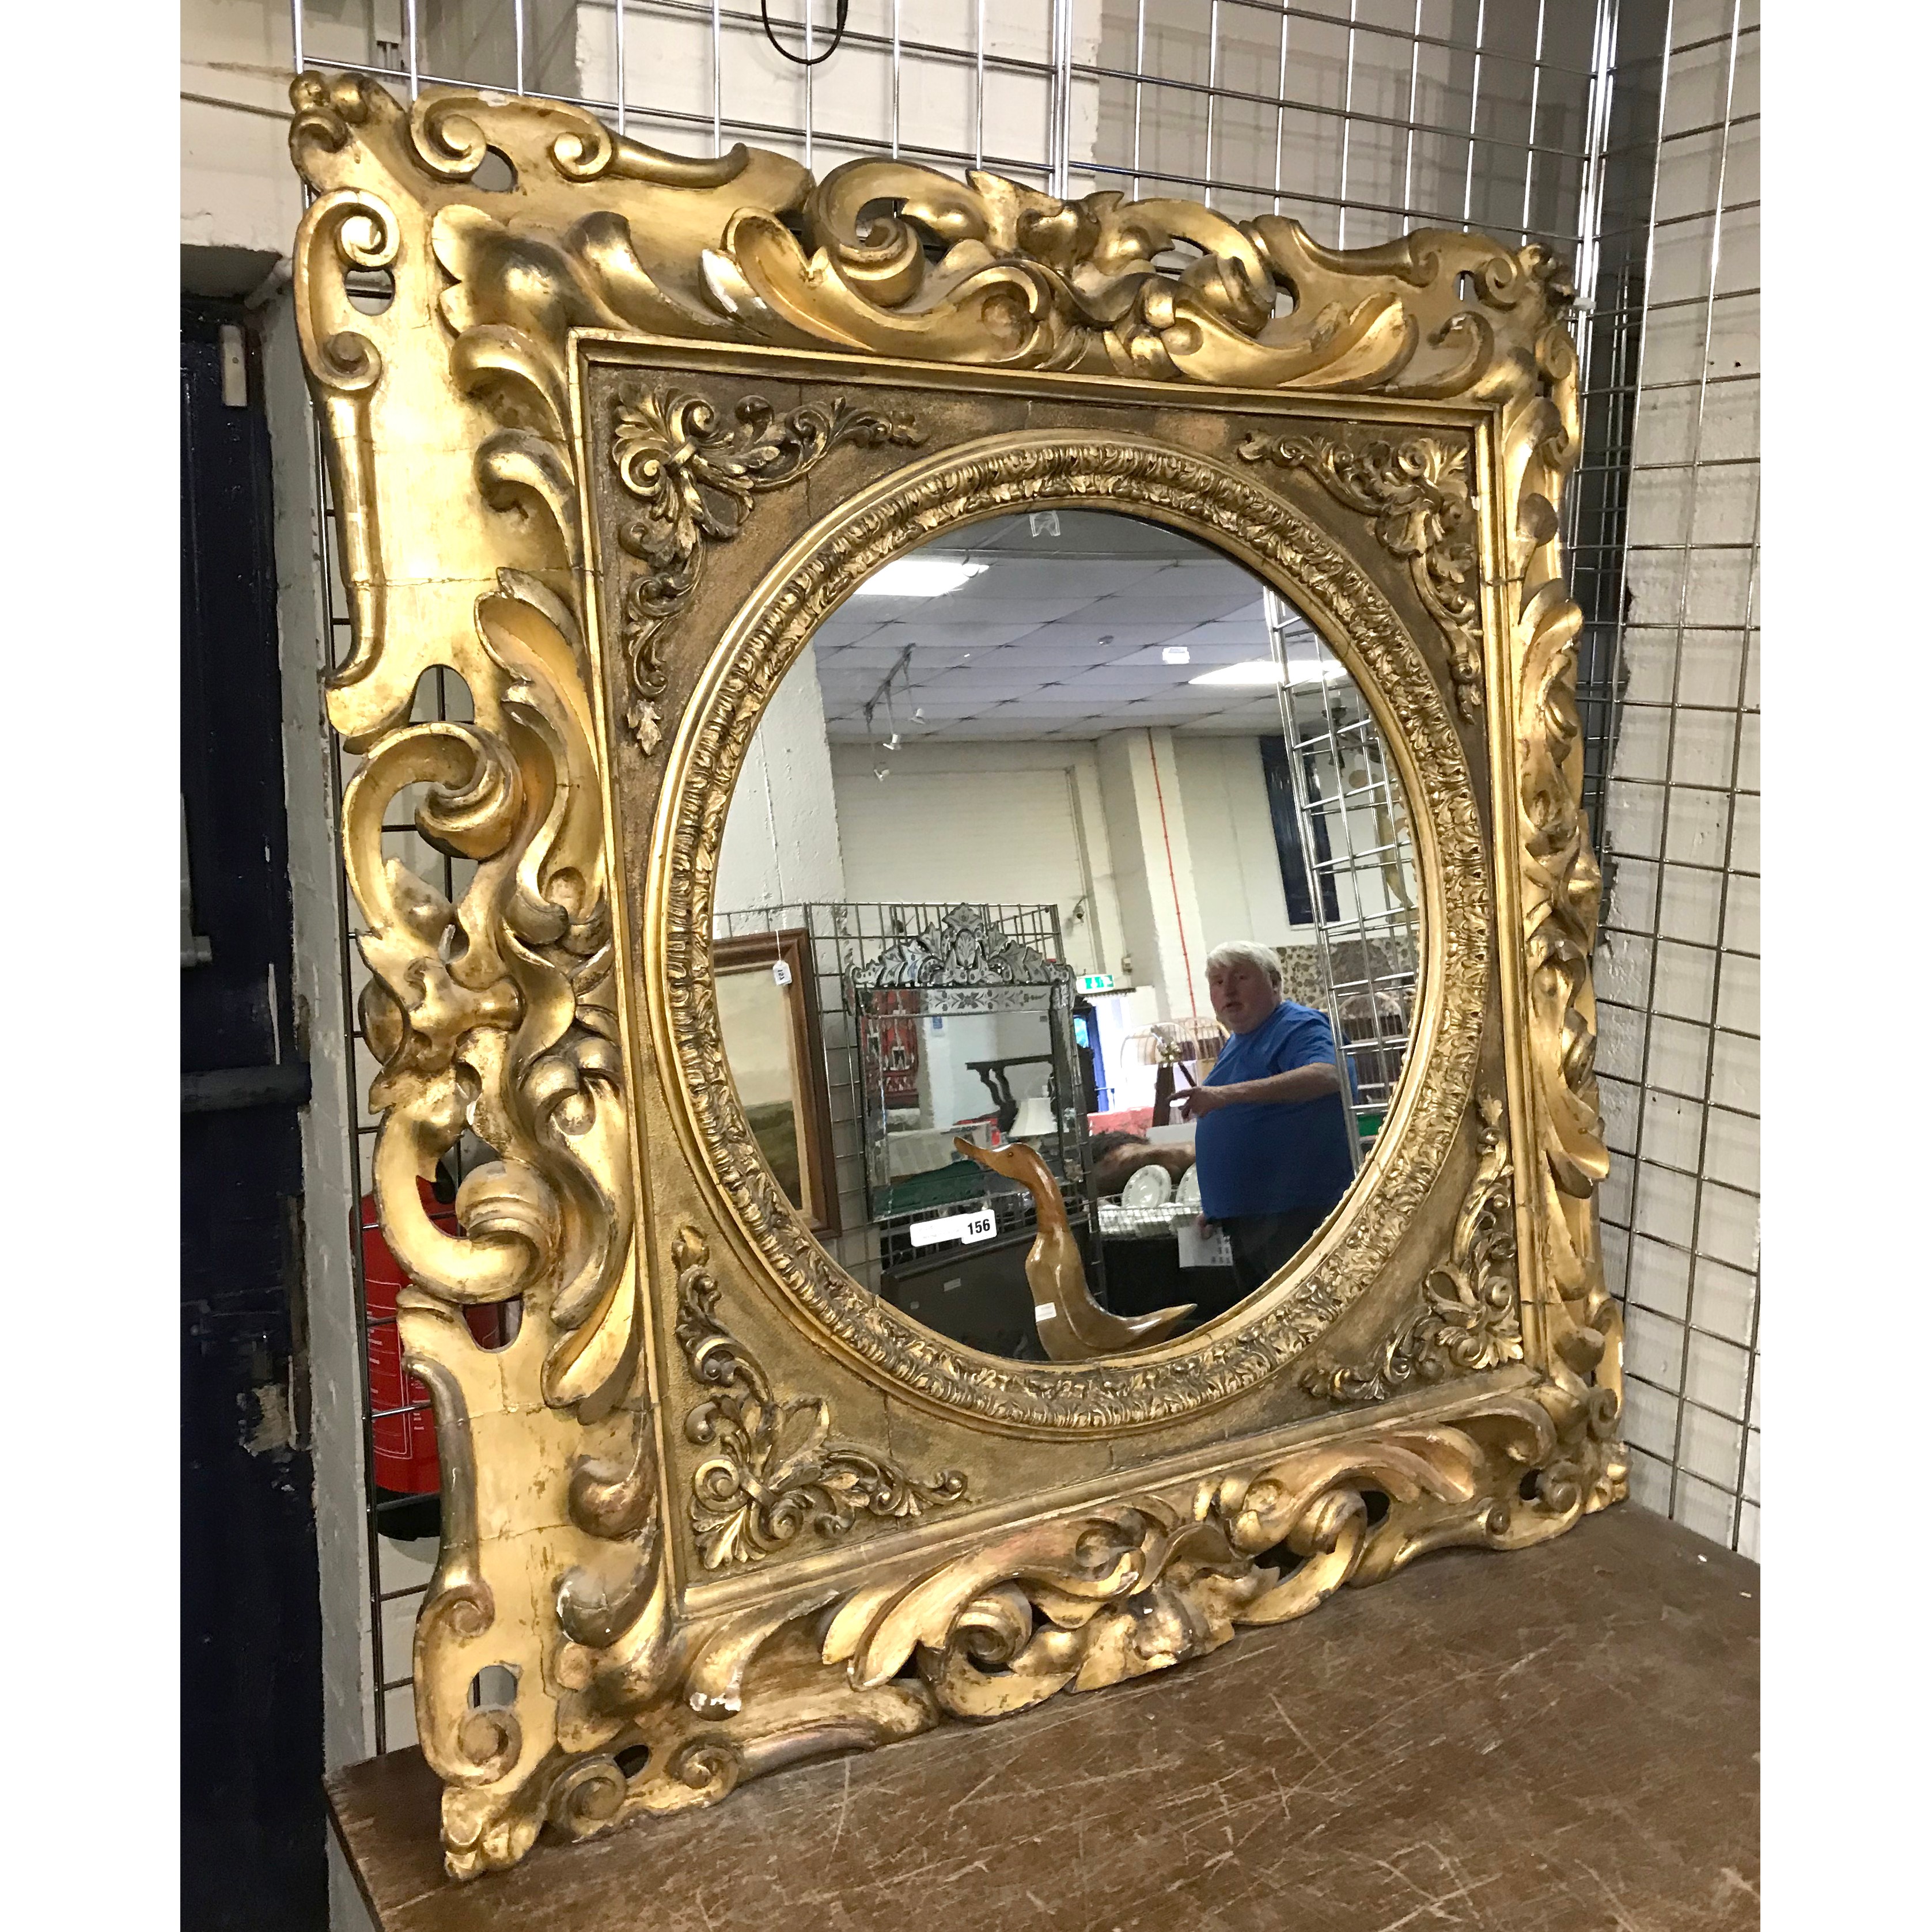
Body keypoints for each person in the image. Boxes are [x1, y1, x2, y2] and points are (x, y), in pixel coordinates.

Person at [1177, 940, 1356, 1308]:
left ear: (1274, 983)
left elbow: (1329, 1074)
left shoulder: (1297, 1025)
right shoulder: (1238, 1042)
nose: (1227, 990)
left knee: (1303, 1317)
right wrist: (1219, 1204)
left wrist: (1226, 1095)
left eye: (1240, 977)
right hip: (1252, 1218)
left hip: (1295, 1213)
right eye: (1216, 981)